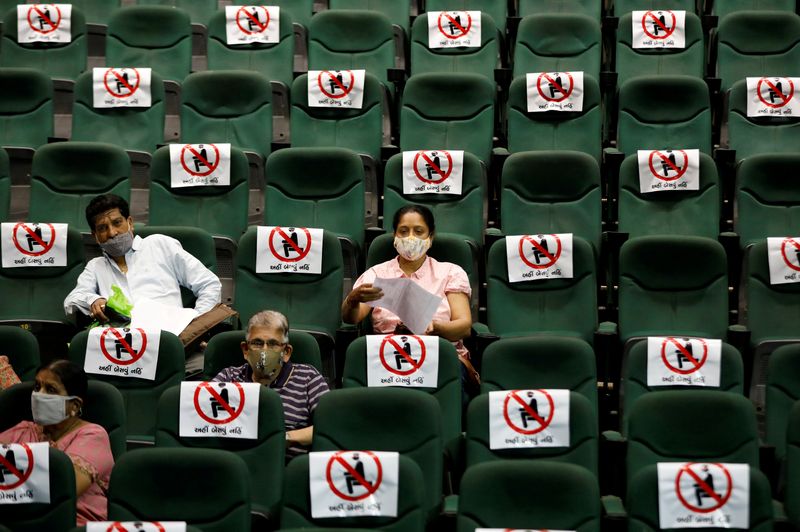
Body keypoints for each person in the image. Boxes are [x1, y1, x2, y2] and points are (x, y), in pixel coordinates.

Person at [342, 204, 473, 362]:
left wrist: (435, 327)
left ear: (430, 237)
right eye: (403, 231)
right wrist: (352, 300)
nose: (411, 238)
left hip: (439, 355)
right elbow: (351, 318)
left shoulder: (450, 272)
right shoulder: (378, 273)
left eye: (418, 232)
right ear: (395, 237)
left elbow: (464, 327)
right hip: (388, 356)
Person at [63, 194, 221, 323]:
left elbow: (209, 284)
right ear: (95, 236)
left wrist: (196, 323)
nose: (112, 233)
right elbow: (72, 300)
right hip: (123, 348)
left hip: (170, 339)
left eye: (117, 223)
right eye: (103, 228)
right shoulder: (96, 266)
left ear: (130, 223)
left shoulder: (159, 245)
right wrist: (93, 300)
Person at [0, 360, 113, 525]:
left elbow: (63, 489)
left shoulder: (93, 435)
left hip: (72, 523)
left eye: (50, 390)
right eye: (37, 387)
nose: (39, 395)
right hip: (15, 521)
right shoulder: (24, 430)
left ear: (74, 405)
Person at [212, 310, 329, 458]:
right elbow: (202, 421)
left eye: (273, 344)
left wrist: (283, 438)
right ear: (245, 350)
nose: (264, 351)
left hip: (287, 464)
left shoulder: (308, 378)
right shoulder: (228, 377)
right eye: (257, 343)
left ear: (286, 352)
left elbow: (330, 425)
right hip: (236, 461)